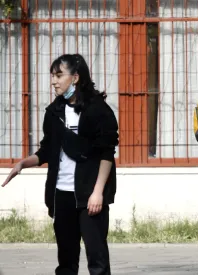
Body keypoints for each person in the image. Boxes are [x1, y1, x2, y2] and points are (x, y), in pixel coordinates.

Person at [2, 54, 118, 275]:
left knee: (97, 260)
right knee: (66, 262)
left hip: (89, 195)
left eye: (58, 75)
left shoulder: (98, 110)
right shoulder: (54, 112)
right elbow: (47, 150)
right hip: (61, 194)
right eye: (52, 76)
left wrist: (97, 193)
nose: (53, 81)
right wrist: (23, 164)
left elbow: (107, 153)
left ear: (75, 78)